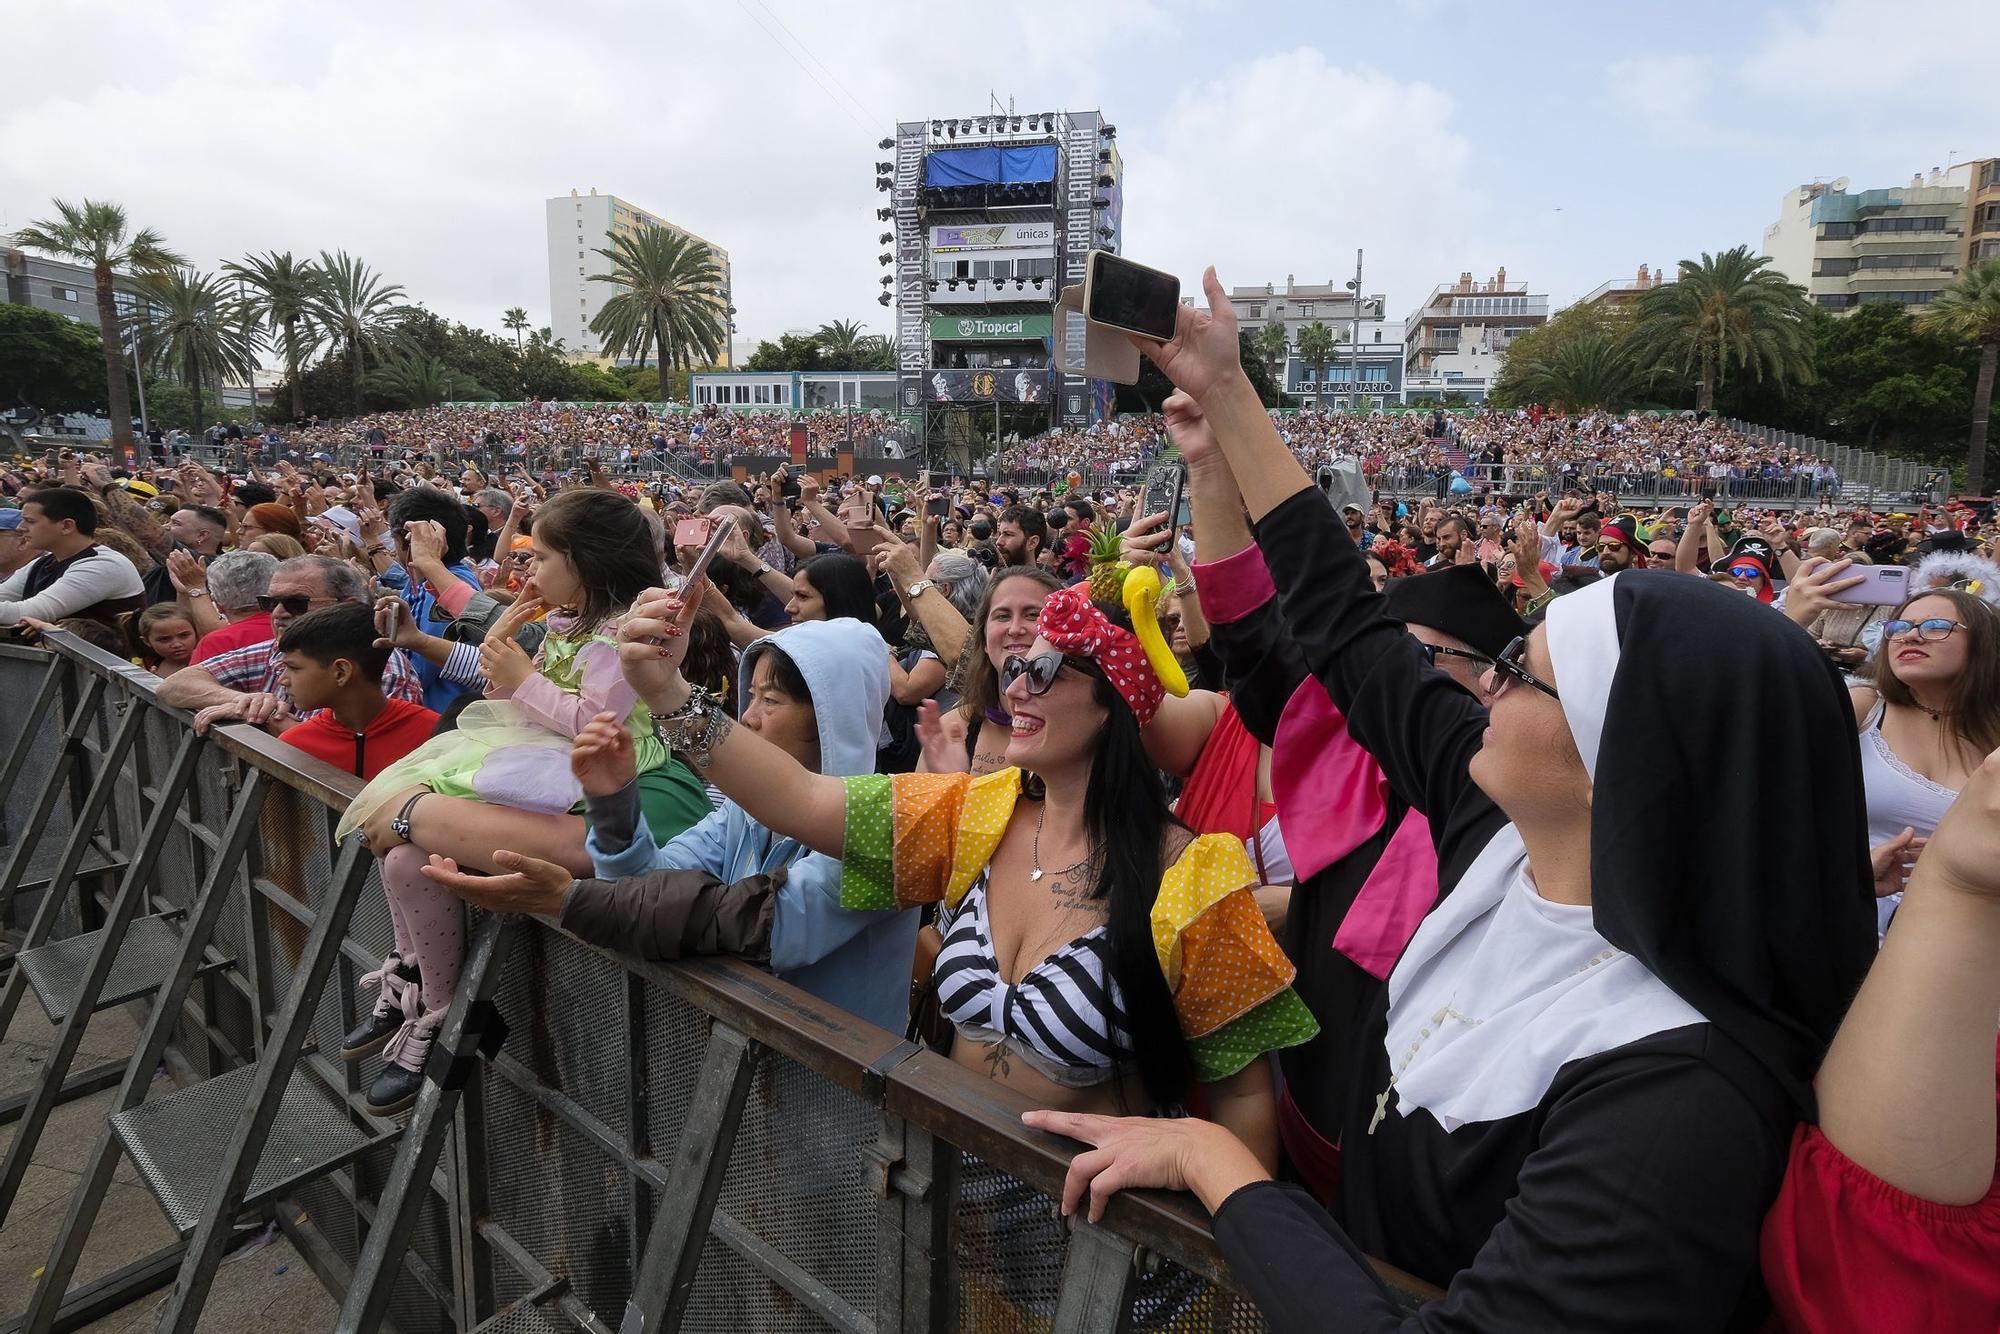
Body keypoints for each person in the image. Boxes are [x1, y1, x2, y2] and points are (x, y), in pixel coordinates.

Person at [1021, 268, 1877, 1331]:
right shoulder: (1495, 831)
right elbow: (1340, 620)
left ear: (1624, 764)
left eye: (1519, 670)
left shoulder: (1676, 1100)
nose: (1481, 685)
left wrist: (1221, 1166)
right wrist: (1226, 394)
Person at [604, 574, 1312, 1152]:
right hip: (942, 1219)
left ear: (1115, 700)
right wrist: (666, 691)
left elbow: (1244, 1094)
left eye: (1040, 669)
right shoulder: (977, 811)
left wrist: (1219, 1229)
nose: (1014, 689)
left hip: (1098, 1251)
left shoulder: (1195, 878)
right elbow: (795, 798)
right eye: (1011, 669)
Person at [341, 489, 710, 1115]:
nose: (528, 572)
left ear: (585, 562)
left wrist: (524, 679)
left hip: (587, 763)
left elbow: (593, 722)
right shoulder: (571, 621)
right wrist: (506, 655)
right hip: (535, 746)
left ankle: (438, 1005)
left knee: (411, 827)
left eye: (540, 558)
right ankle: (424, 986)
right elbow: (516, 695)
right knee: (402, 858)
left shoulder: (626, 636)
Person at [420, 618, 915, 1032]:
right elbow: (652, 880)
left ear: (833, 716)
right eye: (752, 697)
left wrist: (572, 900)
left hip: (839, 1100)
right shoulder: (745, 810)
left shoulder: (889, 830)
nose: (749, 719)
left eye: (771, 701)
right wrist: (614, 802)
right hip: (747, 1057)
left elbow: (765, 925)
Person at [1759, 745, 2000, 1333]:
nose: (1909, 643)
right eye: (1894, 639)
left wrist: (1956, 889)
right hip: (1875, 963)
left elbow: (1869, 1271)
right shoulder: (1865, 711)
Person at [1849, 588, 2000, 937]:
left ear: (1983, 643)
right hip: (1854, 915)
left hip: (1968, 933)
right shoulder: (1864, 706)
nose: (1910, 635)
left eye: (1936, 626)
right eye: (1898, 627)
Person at [162, 555, 423, 731]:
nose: (278, 613)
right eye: (270, 602)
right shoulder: (277, 648)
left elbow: (340, 767)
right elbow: (174, 685)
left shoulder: (382, 671)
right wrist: (245, 701)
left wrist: (267, 718)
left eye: (296, 603)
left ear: (346, 606)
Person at [916, 568, 1062, 777]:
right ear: (984, 639)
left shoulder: (1075, 733)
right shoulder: (951, 730)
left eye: (1033, 615)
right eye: (1002, 616)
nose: (1015, 629)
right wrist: (954, 788)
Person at [272, 603, 441, 780]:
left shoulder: (432, 735)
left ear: (341, 672)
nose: (282, 679)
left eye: (293, 667)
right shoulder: (296, 745)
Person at [0, 487, 146, 631]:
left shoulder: (104, 565)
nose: (20, 527)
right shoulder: (43, 562)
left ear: (67, 526)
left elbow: (25, 612)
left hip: (105, 654)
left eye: (30, 521)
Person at [186, 550, 276, 662]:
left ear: (217, 603)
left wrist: (194, 588)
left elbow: (192, 679)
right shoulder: (296, 625)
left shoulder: (216, 642)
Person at [133, 602, 200, 677]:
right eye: (165, 639)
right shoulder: (149, 665)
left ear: (196, 632)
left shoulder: (207, 663)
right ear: (147, 641)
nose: (176, 644)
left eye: (184, 635)